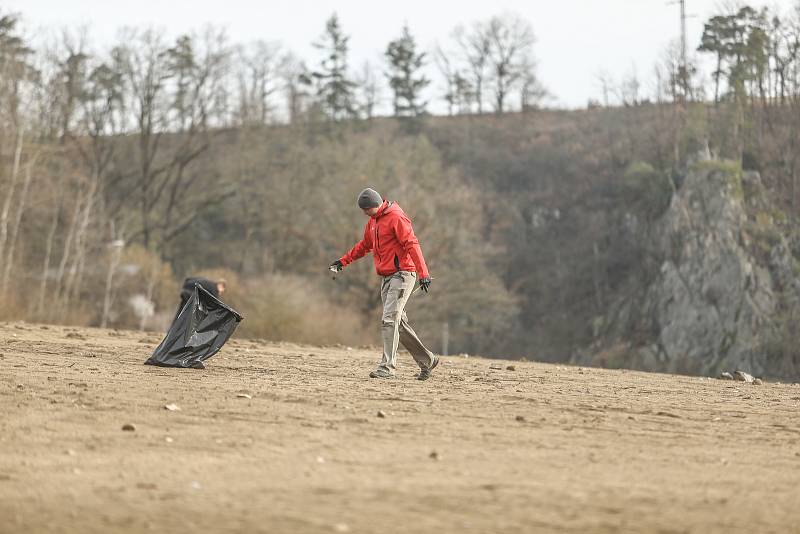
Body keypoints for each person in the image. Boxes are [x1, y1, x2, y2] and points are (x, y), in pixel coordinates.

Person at [330, 188, 439, 380]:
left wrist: (424, 274)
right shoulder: (373, 222)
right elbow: (365, 245)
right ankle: (427, 360)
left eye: (366, 209)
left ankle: (387, 368)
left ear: (376, 205)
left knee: (389, 319)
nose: (364, 213)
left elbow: (412, 244)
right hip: (387, 277)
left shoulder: (396, 217)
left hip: (403, 274)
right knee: (399, 323)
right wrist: (342, 261)